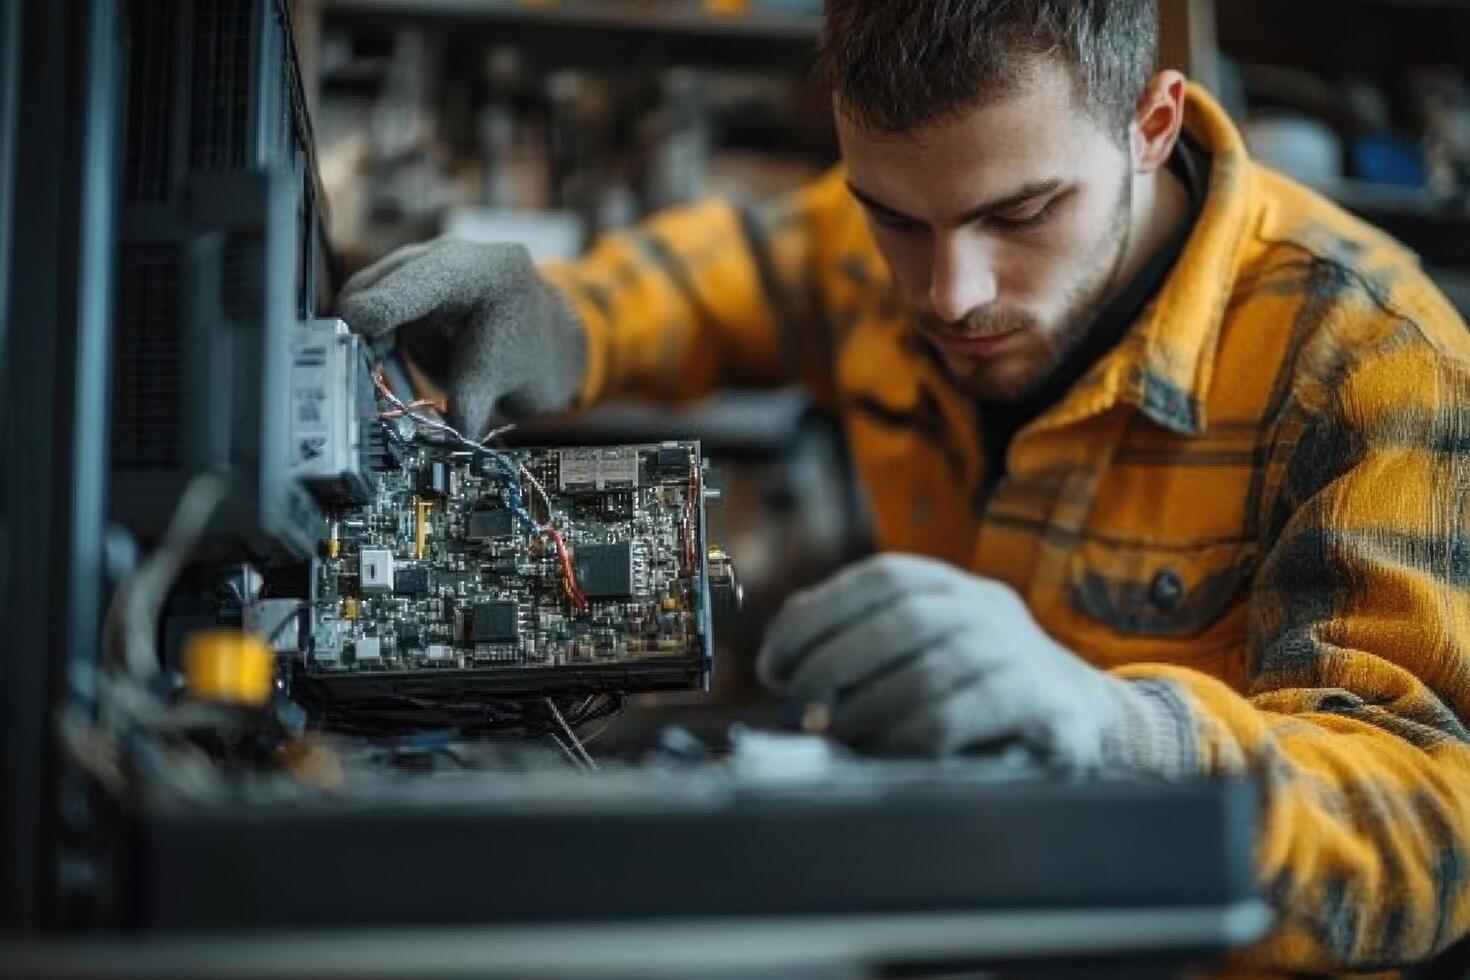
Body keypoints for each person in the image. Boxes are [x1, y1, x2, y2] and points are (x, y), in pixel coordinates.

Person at [336, 1, 1470, 972]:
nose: (949, 292)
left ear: (1151, 124)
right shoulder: (898, 227)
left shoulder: (1378, 362)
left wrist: (1119, 730)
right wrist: (569, 318)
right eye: (894, 217)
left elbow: (1432, 831)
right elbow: (730, 279)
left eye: (1020, 215)